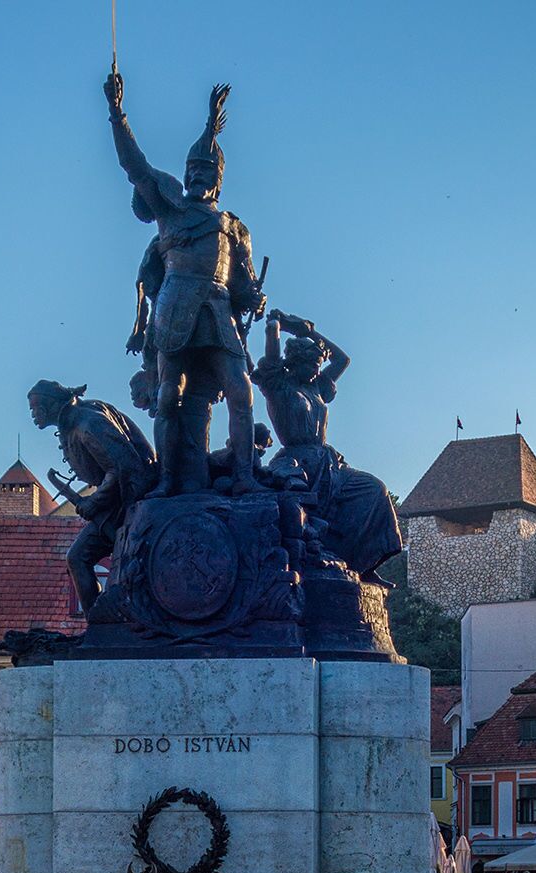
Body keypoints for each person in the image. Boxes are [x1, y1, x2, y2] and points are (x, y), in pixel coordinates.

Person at [105, 71, 265, 496]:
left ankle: (246, 477)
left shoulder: (234, 228)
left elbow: (244, 285)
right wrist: (117, 114)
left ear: (218, 176)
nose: (197, 174)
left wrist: (254, 297)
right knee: (167, 398)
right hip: (175, 307)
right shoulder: (171, 207)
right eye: (192, 167)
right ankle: (168, 481)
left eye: (206, 169)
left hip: (216, 310)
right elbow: (134, 166)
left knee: (240, 393)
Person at [252, 310, 403, 582]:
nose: (317, 371)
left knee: (374, 490)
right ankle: (324, 563)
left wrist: (304, 330)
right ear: (295, 362)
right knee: (310, 514)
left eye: (319, 366)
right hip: (297, 463)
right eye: (312, 365)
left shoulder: (317, 387)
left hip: (328, 461)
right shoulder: (278, 385)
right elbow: (272, 349)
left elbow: (343, 359)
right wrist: (275, 326)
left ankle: (362, 565)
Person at [28, 380, 155, 614]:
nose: (33, 415)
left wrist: (94, 502)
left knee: (80, 557)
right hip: (117, 500)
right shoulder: (74, 422)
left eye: (35, 408)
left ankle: (100, 622)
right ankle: (98, 621)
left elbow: (122, 466)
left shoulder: (87, 424)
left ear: (49, 406)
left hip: (133, 499)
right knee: (78, 558)